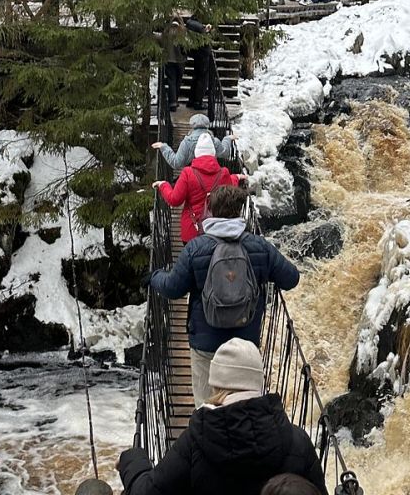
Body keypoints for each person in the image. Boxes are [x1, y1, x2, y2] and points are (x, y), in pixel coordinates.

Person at [146, 186, 301, 405]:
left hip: (206, 343)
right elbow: (292, 278)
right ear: (240, 211)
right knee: (243, 408)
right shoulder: (258, 246)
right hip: (245, 346)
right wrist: (262, 272)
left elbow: (173, 288)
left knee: (206, 408)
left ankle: (208, 436)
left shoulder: (195, 248)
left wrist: (155, 277)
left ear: (210, 209)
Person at [117, 338, 326, 495]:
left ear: (216, 383)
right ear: (257, 381)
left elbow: (146, 492)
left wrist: (133, 460)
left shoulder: (195, 441)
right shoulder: (297, 441)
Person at [153, 136, 240, 244]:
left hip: (192, 231)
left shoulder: (188, 173)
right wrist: (236, 178)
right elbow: (229, 189)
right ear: (213, 154)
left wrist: (163, 185)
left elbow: (174, 200)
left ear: (197, 153)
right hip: (216, 230)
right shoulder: (224, 173)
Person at [154, 113, 236, 169]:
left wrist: (164, 147)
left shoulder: (186, 143)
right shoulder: (214, 141)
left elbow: (176, 163)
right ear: (207, 125)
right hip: (210, 174)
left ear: (192, 126)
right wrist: (227, 139)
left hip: (192, 176)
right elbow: (225, 153)